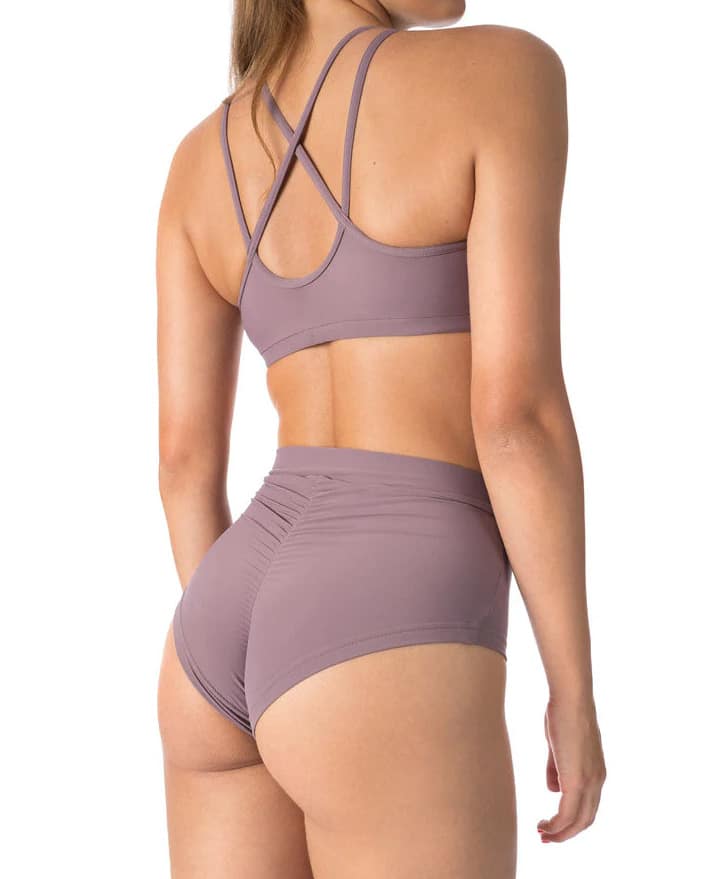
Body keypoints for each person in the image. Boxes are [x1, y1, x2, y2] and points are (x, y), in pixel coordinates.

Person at [155, 1, 606, 876]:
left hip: (215, 630)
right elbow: (515, 418)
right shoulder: (501, 74)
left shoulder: (198, 160)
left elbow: (182, 464)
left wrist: (264, 665)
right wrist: (573, 690)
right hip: (387, 608)